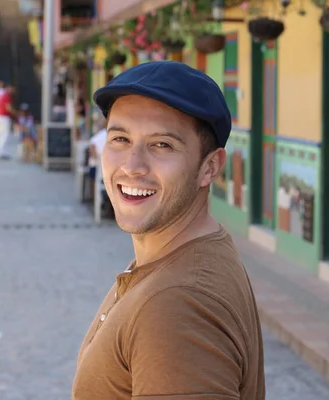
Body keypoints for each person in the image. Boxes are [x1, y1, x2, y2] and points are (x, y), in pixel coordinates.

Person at [72, 61, 266, 400]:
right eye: (120, 138)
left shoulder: (176, 303)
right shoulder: (186, 254)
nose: (132, 166)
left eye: (162, 145)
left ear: (209, 167)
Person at [0, 85, 16, 159]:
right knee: (4, 135)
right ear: (7, 88)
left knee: (0, 135)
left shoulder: (1, 95)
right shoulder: (6, 96)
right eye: (12, 89)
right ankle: (3, 152)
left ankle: (0, 152)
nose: (13, 91)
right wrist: (16, 114)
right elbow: (8, 108)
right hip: (4, 117)